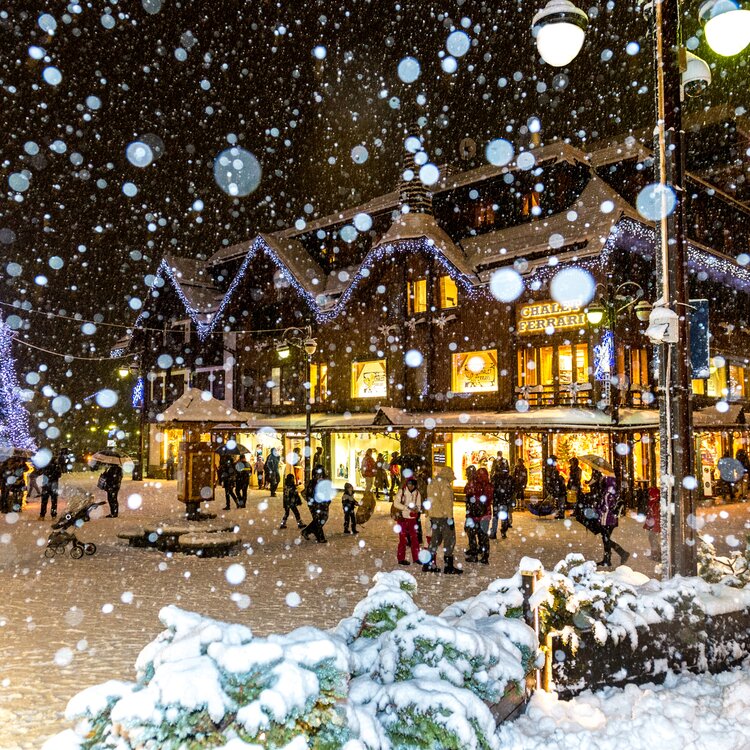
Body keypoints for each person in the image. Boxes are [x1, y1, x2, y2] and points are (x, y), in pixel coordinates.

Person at [422, 466, 462, 574]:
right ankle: (448, 567)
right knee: (449, 540)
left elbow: (429, 499)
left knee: (435, 540)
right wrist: (450, 518)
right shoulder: (444, 484)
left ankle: (428, 564)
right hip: (444, 517)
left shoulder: (432, 482)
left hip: (434, 516)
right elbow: (447, 502)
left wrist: (429, 514)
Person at [596, 476, 629, 567]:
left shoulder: (608, 493)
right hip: (612, 520)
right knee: (606, 539)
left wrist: (598, 510)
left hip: (606, 519)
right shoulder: (614, 492)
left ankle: (622, 553)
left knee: (606, 539)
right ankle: (607, 560)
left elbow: (605, 508)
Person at [465, 466, 492, 564]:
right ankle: (485, 556)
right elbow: (490, 498)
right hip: (486, 514)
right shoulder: (489, 485)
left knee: (472, 534)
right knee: (483, 536)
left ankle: (474, 554)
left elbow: (468, 493)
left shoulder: (474, 484)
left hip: (474, 515)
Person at [394, 476, 422, 566]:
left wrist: (416, 509)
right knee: (403, 539)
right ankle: (401, 558)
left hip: (412, 519)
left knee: (415, 539)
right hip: (402, 518)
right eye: (409, 484)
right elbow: (396, 503)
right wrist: (406, 508)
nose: (410, 486)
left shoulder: (417, 494)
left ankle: (416, 557)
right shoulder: (401, 492)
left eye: (412, 484)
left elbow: (419, 505)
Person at [301, 466, 330, 543]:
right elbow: (306, 494)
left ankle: (307, 531)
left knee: (324, 518)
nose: (319, 476)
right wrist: (311, 502)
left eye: (321, 475)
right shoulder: (312, 483)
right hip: (315, 505)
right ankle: (320, 537)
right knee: (317, 520)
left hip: (324, 505)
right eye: (317, 474)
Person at [490, 451, 512, 540]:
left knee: (496, 517)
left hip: (498, 499)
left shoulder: (496, 478)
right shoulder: (507, 478)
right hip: (503, 499)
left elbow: (492, 487)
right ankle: (502, 532)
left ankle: (495, 532)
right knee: (502, 517)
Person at [40, 452, 63, 520]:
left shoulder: (45, 465)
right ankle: (53, 515)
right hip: (54, 485)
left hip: (46, 485)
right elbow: (59, 475)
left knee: (44, 501)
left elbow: (41, 472)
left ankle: (42, 515)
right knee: (54, 501)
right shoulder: (56, 465)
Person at [643, 487, 661, 564]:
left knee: (653, 539)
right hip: (653, 524)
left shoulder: (655, 504)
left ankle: (656, 555)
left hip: (654, 525)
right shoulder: (653, 502)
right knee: (653, 539)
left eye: (651, 495)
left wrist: (652, 525)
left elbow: (655, 516)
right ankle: (658, 554)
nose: (649, 497)